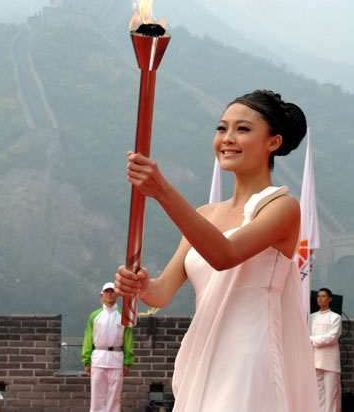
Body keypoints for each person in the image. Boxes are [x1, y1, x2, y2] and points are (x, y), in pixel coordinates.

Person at [115, 89, 320, 412]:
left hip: (248, 361)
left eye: (243, 129)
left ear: (274, 142)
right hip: (202, 354)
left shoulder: (282, 208)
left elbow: (224, 255)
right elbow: (163, 292)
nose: (227, 138)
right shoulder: (206, 215)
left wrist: (163, 191)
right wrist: (140, 286)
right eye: (222, 128)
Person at [82, 282, 135, 412]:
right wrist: (86, 360)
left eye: (112, 291)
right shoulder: (94, 316)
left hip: (116, 358)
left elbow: (128, 340)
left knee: (114, 395)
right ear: (102, 295)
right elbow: (88, 339)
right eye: (107, 292)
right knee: (97, 395)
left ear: (117, 294)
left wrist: (128, 361)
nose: (110, 294)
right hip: (98, 358)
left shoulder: (124, 316)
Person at [310, 288, 342, 412]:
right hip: (315, 359)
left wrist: (312, 339)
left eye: (323, 296)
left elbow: (332, 337)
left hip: (330, 361)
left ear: (330, 299)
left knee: (331, 395)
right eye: (318, 296)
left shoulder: (335, 317)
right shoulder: (311, 317)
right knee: (319, 394)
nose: (320, 298)